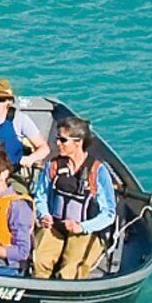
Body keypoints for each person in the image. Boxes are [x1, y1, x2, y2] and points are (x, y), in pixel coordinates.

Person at [32, 115, 119, 281]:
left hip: (85, 230)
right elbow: (41, 195)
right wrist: (44, 215)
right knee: (40, 260)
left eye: (63, 140)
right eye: (57, 138)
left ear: (78, 142)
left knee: (71, 269)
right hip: (55, 225)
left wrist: (82, 227)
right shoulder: (53, 166)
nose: (57, 143)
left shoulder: (98, 172)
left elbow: (108, 213)